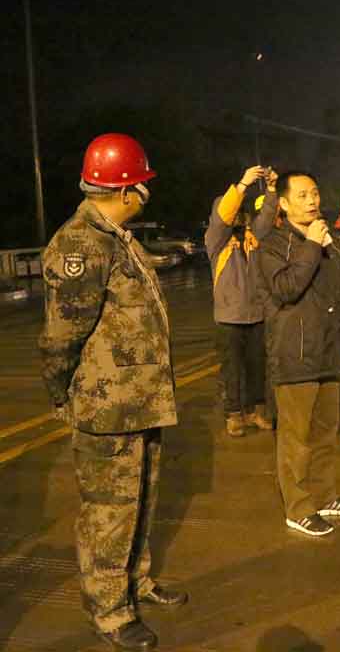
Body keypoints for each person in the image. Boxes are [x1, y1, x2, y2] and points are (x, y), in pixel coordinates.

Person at [39, 134, 186, 651]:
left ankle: (135, 583)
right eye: (143, 184)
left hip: (140, 401)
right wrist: (62, 393)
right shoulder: (81, 244)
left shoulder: (116, 237)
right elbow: (61, 337)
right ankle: (110, 610)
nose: (147, 192)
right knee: (108, 512)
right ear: (126, 190)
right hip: (107, 407)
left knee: (140, 503)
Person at [257, 170, 340, 537]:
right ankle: (298, 507)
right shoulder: (272, 245)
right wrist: (311, 246)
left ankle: (324, 496)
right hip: (295, 355)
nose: (312, 201)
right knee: (296, 439)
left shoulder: (328, 241)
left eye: (315, 193)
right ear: (284, 203)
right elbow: (286, 288)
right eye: (303, 195)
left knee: (325, 432)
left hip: (328, 352)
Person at [205, 165, 278, 437]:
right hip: (229, 318)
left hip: (256, 314)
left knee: (258, 367)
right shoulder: (216, 240)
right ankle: (233, 414)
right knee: (232, 370)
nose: (236, 215)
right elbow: (222, 217)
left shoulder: (251, 237)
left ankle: (257, 411)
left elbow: (267, 217)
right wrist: (243, 185)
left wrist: (272, 189)